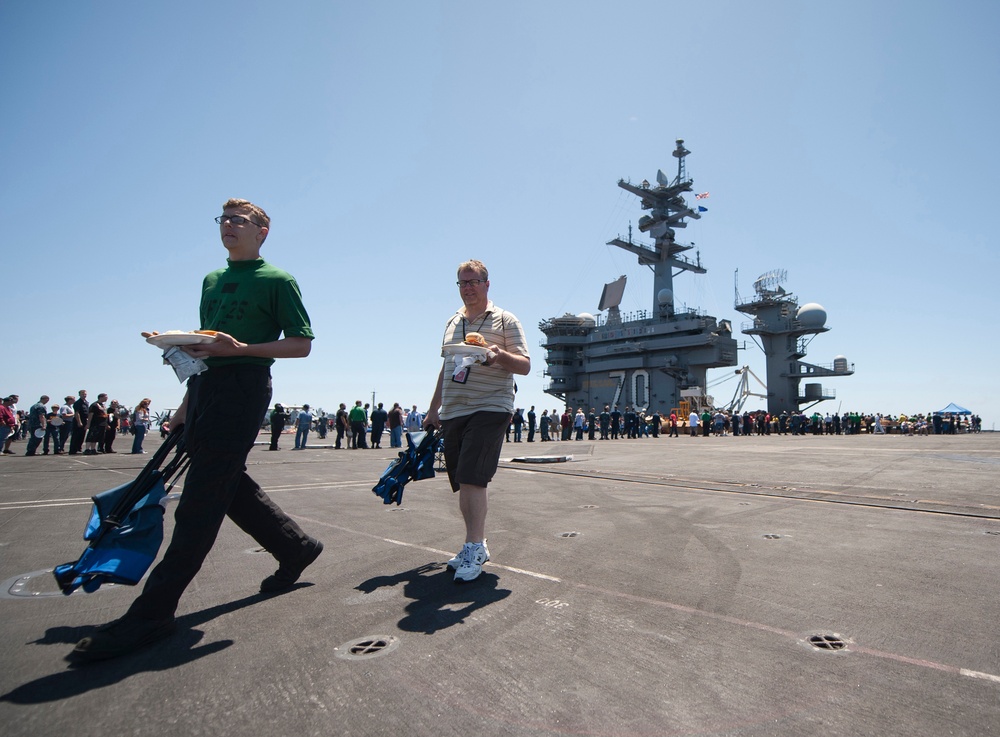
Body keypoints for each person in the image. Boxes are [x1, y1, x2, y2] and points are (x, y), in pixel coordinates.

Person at [69, 198, 323, 663]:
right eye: (223, 219)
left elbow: (301, 344)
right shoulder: (211, 280)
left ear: (262, 231)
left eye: (239, 220)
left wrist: (240, 348)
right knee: (224, 482)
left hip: (245, 386)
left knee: (202, 498)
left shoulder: (277, 280)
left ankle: (153, 612)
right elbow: (205, 348)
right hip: (207, 389)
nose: (228, 226)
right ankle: (296, 546)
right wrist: (187, 401)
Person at [423, 259, 530, 583]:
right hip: (455, 409)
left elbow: (524, 365)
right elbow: (447, 368)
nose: (467, 287)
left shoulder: (505, 320)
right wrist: (432, 410)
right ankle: (476, 544)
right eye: (462, 282)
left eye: (473, 281)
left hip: (491, 405)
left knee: (472, 477)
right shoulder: (452, 322)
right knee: (462, 481)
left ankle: (473, 546)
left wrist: (498, 355)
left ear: (487, 284)